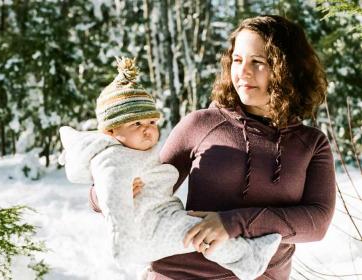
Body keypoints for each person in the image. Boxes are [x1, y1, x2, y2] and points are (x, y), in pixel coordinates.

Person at [146, 15, 336, 279]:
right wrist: (111, 183)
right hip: (182, 272)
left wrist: (232, 223)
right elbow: (145, 190)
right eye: (237, 59)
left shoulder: (311, 144)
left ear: (288, 69)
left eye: (258, 62)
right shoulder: (202, 124)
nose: (243, 71)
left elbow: (317, 222)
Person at [59, 57, 281, 280]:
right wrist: (121, 241)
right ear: (110, 132)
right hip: (147, 229)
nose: (148, 130)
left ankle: (246, 258)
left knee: (201, 232)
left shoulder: (131, 151)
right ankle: (248, 257)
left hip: (158, 221)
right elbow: (114, 202)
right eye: (136, 124)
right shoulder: (113, 158)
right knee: (201, 234)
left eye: (152, 123)